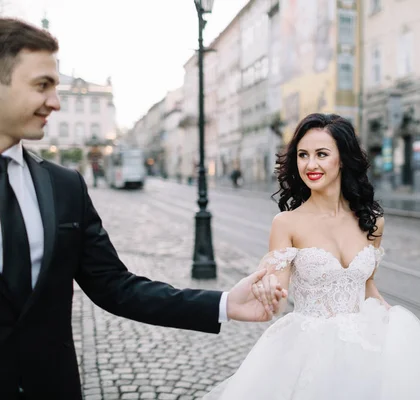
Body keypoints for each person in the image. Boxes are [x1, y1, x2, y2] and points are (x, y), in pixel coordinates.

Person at [0, 18, 286, 400]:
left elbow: (116, 286)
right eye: (42, 85)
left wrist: (223, 303)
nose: (56, 101)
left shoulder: (62, 186)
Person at [203, 114, 420, 399]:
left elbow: (367, 285)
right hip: (307, 349)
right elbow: (276, 297)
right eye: (303, 155)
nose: (310, 164)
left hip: (365, 346)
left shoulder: (373, 223)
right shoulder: (286, 223)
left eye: (321, 154)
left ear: (343, 160)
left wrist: (395, 323)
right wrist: (266, 289)